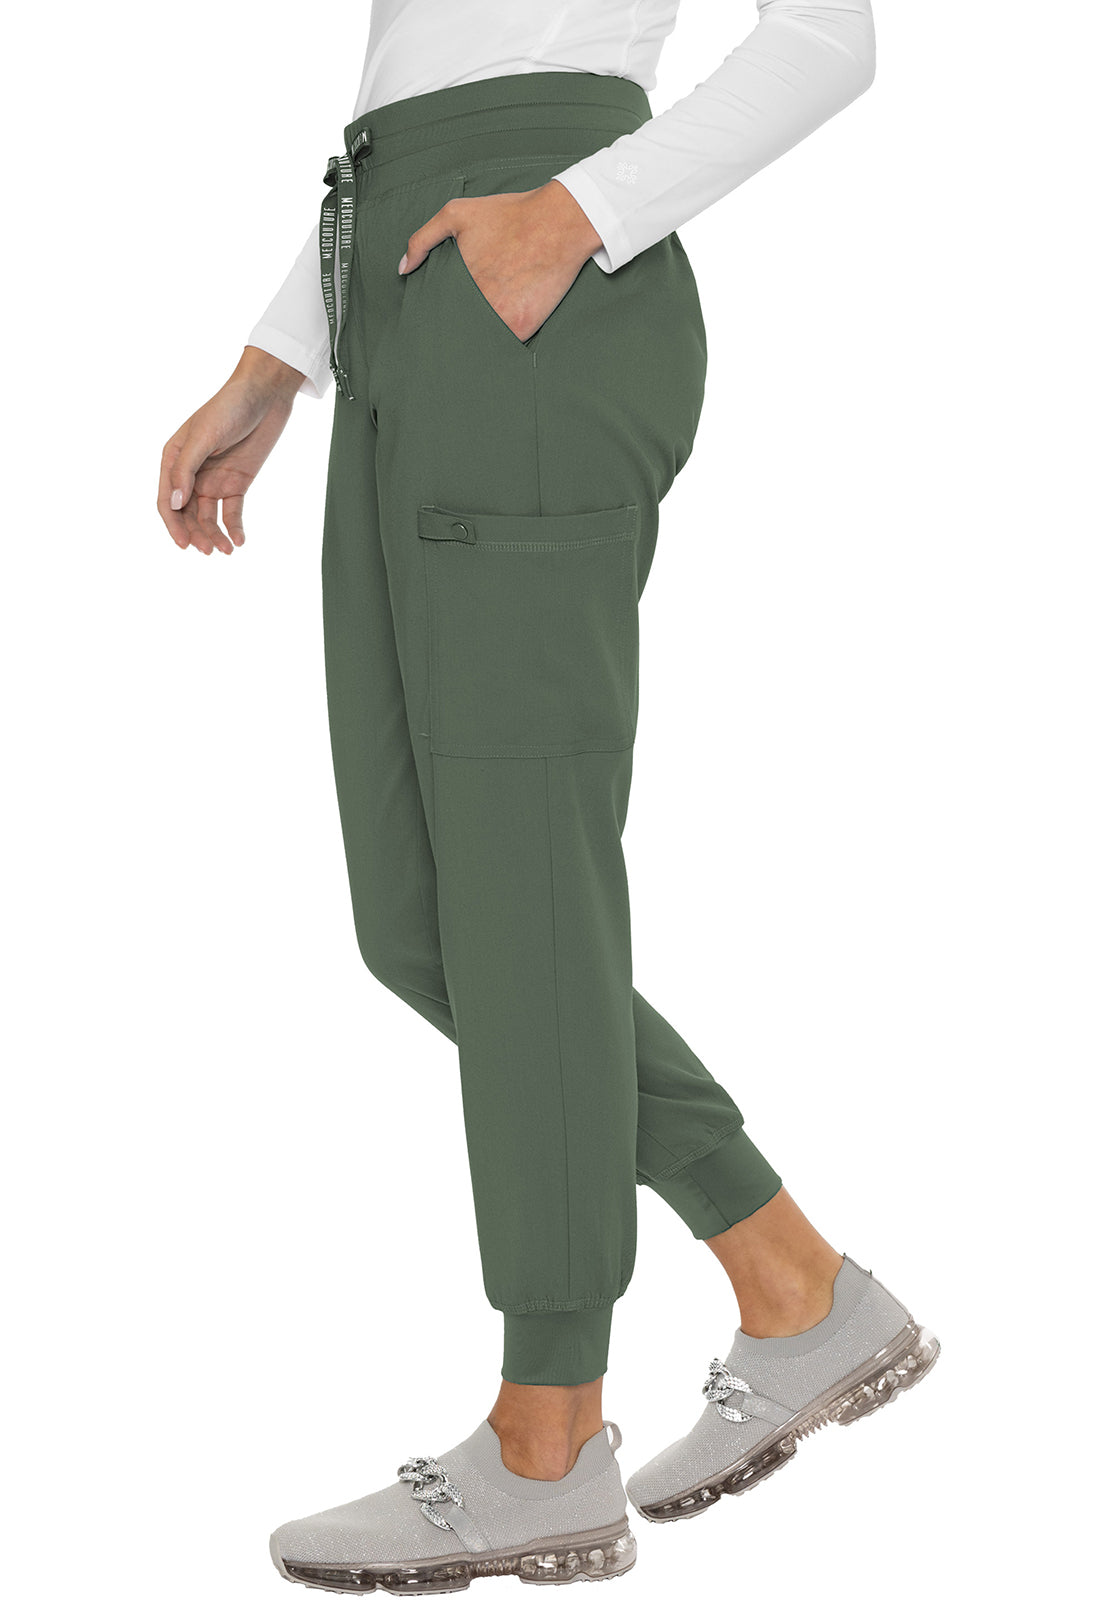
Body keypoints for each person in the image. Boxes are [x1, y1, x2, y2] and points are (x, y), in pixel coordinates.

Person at [158, 2, 939, 1589]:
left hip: (533, 285)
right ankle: (793, 1284)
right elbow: (430, 68)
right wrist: (281, 353)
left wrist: (579, 210)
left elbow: (828, 36)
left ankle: (546, 1441)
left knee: (515, 883)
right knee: (426, 916)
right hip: (404, 284)